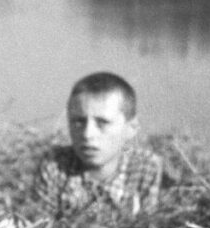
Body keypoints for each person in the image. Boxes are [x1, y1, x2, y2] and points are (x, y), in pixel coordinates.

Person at [34, 72, 163, 217]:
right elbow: (40, 225)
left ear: (131, 128)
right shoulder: (55, 164)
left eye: (103, 123)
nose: (87, 134)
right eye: (78, 121)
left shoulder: (145, 166)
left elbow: (147, 226)